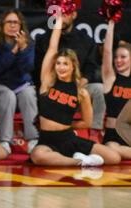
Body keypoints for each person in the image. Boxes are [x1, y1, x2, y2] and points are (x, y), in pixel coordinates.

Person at [30, 15, 121, 167]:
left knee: (114, 158)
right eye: (58, 63)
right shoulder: (47, 82)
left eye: (65, 64)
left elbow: (87, 122)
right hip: (48, 140)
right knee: (37, 155)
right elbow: (53, 47)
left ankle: (75, 157)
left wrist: (67, 125)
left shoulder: (81, 92)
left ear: (73, 67)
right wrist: (58, 19)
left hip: (68, 138)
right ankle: (80, 161)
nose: (60, 67)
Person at [34, 2, 107, 143]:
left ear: (74, 14)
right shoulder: (45, 39)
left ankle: (94, 131)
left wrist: (78, 85)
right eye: (59, 13)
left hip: (78, 86)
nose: (62, 16)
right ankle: (40, 133)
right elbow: (42, 62)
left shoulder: (86, 40)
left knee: (98, 89)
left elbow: (91, 68)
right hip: (52, 86)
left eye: (65, 12)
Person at [0, 9, 39, 155]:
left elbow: (27, 68)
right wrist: (15, 50)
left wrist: (23, 49)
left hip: (20, 85)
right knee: (8, 95)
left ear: (21, 25)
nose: (13, 25)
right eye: (9, 22)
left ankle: (33, 140)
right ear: (2, 24)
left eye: (16, 22)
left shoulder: (28, 42)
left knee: (28, 93)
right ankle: (4, 141)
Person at [101, 17, 131, 159]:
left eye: (123, 57)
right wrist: (111, 23)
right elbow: (107, 52)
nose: (118, 60)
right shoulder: (110, 79)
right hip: (113, 136)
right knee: (111, 150)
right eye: (116, 57)